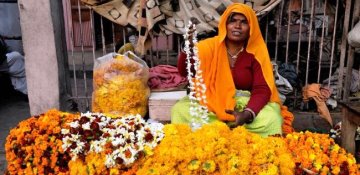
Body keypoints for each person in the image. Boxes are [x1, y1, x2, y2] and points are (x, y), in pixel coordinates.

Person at [171, 3, 294, 137]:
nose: (237, 26)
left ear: (251, 27)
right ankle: (213, 137)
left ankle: (223, 133)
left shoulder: (257, 51)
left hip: (246, 104)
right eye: (233, 21)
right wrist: (187, 49)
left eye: (243, 22)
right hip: (212, 102)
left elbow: (262, 88)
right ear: (225, 24)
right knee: (180, 110)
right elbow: (186, 72)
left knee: (272, 118)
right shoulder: (209, 46)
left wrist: (248, 114)